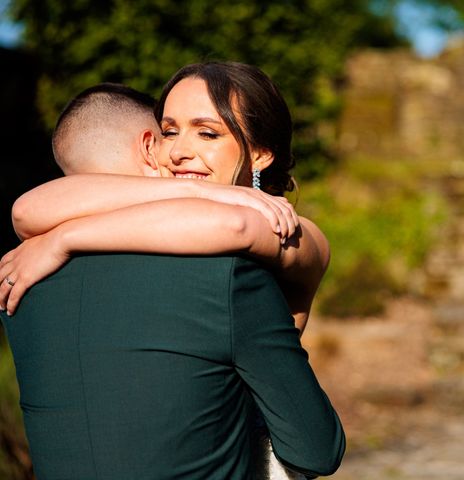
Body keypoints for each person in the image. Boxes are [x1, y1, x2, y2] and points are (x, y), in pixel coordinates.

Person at [0, 62, 345, 478]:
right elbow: (316, 450)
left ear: (260, 153)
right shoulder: (226, 276)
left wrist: (62, 239)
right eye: (169, 131)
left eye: (207, 132)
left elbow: (234, 225)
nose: (179, 150)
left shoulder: (288, 230)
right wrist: (195, 189)